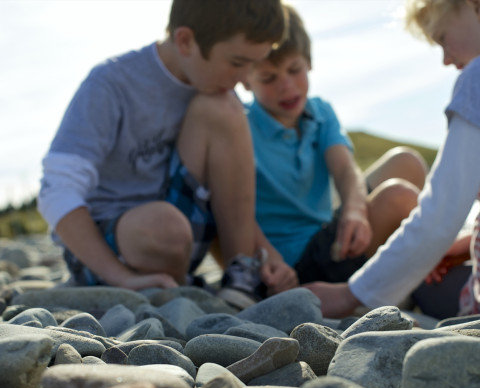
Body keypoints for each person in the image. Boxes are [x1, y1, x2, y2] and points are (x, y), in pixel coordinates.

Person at [38, 0, 297, 309]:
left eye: (253, 65)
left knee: (224, 108)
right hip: (111, 245)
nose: (245, 80)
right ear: (186, 41)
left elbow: (225, 197)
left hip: (179, 230)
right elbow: (56, 191)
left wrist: (265, 254)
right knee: (165, 227)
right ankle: (176, 294)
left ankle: (242, 279)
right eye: (237, 62)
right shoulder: (110, 83)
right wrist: (119, 276)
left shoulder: (214, 90)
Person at [303, 0, 480, 319]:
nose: (446, 59)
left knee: (424, 286)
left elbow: (439, 216)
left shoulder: (475, 79)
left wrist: (350, 293)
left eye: (442, 38)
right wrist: (467, 243)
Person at [243, 4, 428, 288]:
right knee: (398, 198)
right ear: (246, 78)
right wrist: (269, 260)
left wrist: (355, 210)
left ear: (309, 62)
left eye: (295, 69)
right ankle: (416, 282)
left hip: (330, 235)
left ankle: (405, 274)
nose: (286, 85)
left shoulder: (320, 112)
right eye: (269, 78)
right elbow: (233, 210)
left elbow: (344, 169)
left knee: (407, 162)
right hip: (293, 264)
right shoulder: (240, 127)